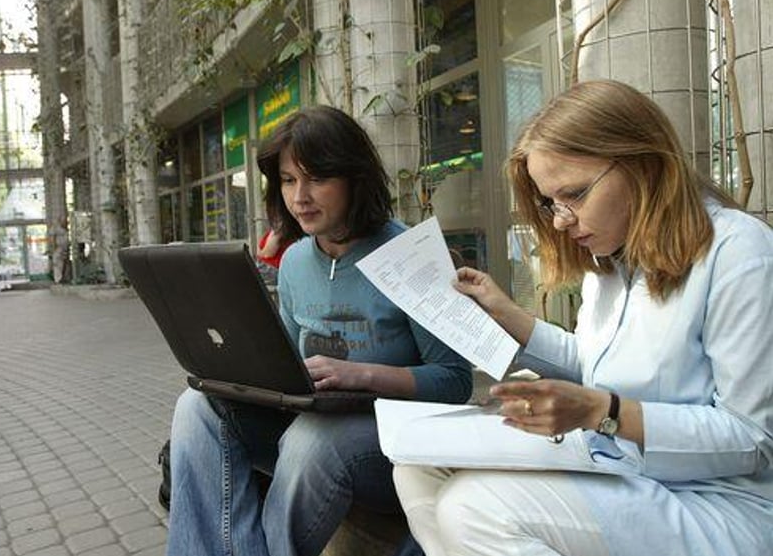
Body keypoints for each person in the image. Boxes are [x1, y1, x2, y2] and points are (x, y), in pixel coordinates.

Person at [393, 79, 773, 555]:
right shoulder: (612, 261)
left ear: (644, 166)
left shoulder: (739, 253)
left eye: (574, 194)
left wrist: (604, 412)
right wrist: (507, 314)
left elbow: (754, 440)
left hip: (716, 501)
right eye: (551, 202)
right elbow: (595, 363)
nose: (559, 220)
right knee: (416, 465)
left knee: (472, 507)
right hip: (620, 464)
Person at [166, 105, 473, 556]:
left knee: (313, 440)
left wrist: (361, 375)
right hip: (309, 427)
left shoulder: (411, 254)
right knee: (196, 405)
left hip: (392, 443)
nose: (300, 196)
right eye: (289, 180)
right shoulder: (293, 262)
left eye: (316, 178)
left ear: (354, 178)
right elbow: (288, 369)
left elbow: (454, 380)